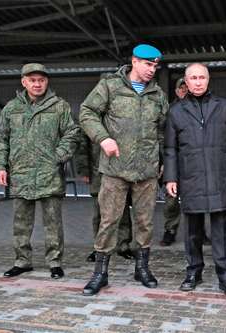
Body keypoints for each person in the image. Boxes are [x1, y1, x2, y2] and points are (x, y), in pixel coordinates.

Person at [79, 44, 168, 295]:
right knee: (108, 221)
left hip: (146, 172)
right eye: (148, 64)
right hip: (115, 170)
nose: (152, 70)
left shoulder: (157, 95)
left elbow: (162, 131)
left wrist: (161, 160)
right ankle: (100, 274)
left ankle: (142, 269)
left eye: (155, 66)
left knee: (145, 222)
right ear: (134, 61)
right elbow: (86, 113)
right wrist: (103, 138)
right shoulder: (110, 86)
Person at [164, 63, 226, 298]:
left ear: (208, 80)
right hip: (191, 177)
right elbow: (170, 148)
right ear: (186, 82)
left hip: (220, 175)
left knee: (221, 230)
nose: (198, 82)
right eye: (193, 78)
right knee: (192, 231)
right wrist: (170, 177)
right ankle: (193, 272)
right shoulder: (176, 112)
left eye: (202, 77)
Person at [0, 63, 79, 279]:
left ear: (47, 81)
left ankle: (55, 262)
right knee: (21, 222)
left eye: (41, 80)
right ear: (24, 82)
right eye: (32, 80)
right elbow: (1, 139)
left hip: (49, 173)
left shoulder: (59, 106)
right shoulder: (11, 108)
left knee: (53, 222)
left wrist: (58, 156)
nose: (37, 84)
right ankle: (22, 261)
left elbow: (72, 133)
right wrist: (0, 166)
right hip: (20, 174)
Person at [160, 77, 211, 247]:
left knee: (198, 199)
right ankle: (170, 230)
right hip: (174, 162)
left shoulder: (199, 107)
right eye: (180, 88)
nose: (183, 91)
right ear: (176, 91)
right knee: (171, 201)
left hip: (194, 163)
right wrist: (163, 162)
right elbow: (163, 139)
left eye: (185, 87)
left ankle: (200, 232)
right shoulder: (170, 110)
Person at [75, 133, 134, 262]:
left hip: (120, 169)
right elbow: (82, 145)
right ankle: (99, 247)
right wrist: (84, 170)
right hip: (98, 171)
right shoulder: (92, 116)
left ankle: (123, 245)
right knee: (99, 213)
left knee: (122, 210)